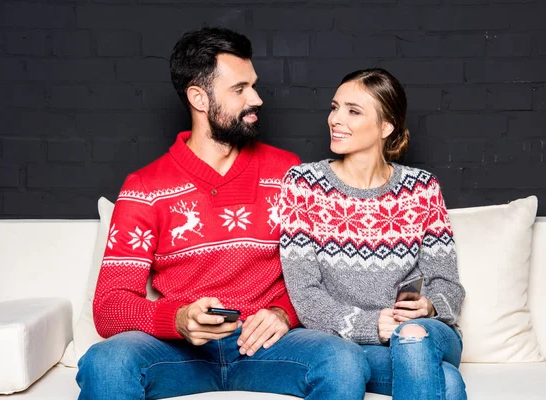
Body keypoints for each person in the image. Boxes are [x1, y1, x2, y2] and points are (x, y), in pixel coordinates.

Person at [76, 27, 369, 400]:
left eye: (254, 85)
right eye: (240, 89)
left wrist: (282, 313)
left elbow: (324, 276)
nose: (257, 99)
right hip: (178, 352)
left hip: (266, 347)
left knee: (343, 361)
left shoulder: (288, 173)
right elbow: (109, 306)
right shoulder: (144, 188)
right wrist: (178, 319)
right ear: (199, 97)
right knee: (105, 362)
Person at [279, 68, 467, 400]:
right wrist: (372, 325)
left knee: (412, 335)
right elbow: (306, 296)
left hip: (427, 333)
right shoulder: (304, 184)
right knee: (447, 383)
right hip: (351, 343)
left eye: (353, 111)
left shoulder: (421, 188)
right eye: (334, 107)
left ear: (386, 126)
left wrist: (429, 307)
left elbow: (448, 284)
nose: (336, 119)